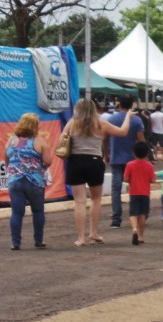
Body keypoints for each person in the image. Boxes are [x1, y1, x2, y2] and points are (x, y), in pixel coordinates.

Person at [64, 98, 133, 246]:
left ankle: (80, 238)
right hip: (95, 162)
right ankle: (93, 233)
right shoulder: (101, 124)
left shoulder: (72, 124)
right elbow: (123, 132)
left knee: (79, 201)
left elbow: (61, 140)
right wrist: (128, 116)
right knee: (96, 199)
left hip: (75, 162)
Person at [5, 113, 53, 250]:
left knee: (16, 213)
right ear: (35, 126)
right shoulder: (40, 141)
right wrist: (41, 167)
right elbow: (48, 161)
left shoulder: (12, 141)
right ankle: (38, 240)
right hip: (35, 181)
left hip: (15, 181)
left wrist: (14, 171)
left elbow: (6, 158)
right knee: (38, 211)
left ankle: (15, 242)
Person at [105, 94, 146, 230]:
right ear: (131, 105)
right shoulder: (136, 120)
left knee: (116, 188)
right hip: (132, 159)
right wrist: (145, 155)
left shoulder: (111, 119)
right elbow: (141, 139)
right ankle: (138, 214)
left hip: (116, 158)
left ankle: (116, 218)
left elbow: (105, 138)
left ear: (119, 104)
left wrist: (105, 153)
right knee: (135, 188)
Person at [124, 141, 156, 245]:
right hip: (145, 193)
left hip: (134, 192)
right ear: (147, 153)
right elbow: (153, 180)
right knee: (143, 214)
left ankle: (134, 229)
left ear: (134, 153)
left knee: (133, 213)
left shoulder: (130, 164)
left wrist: (131, 181)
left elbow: (126, 178)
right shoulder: (149, 165)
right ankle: (141, 236)